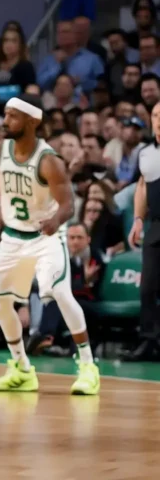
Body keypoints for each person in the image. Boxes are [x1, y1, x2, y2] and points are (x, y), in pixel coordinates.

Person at [0, 95, 100, 395]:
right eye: (5, 115)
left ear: (33, 121)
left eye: (12, 116)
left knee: (57, 291)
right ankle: (22, 368)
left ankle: (87, 366)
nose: (5, 122)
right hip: (13, 237)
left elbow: (68, 204)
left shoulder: (48, 160)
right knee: (1, 301)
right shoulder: (0, 149)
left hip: (45, 238)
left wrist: (56, 221)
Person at [125, 100, 160, 361]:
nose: (158, 119)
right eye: (155, 115)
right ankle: (148, 341)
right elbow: (142, 186)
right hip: (155, 226)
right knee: (147, 288)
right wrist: (138, 219)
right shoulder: (146, 152)